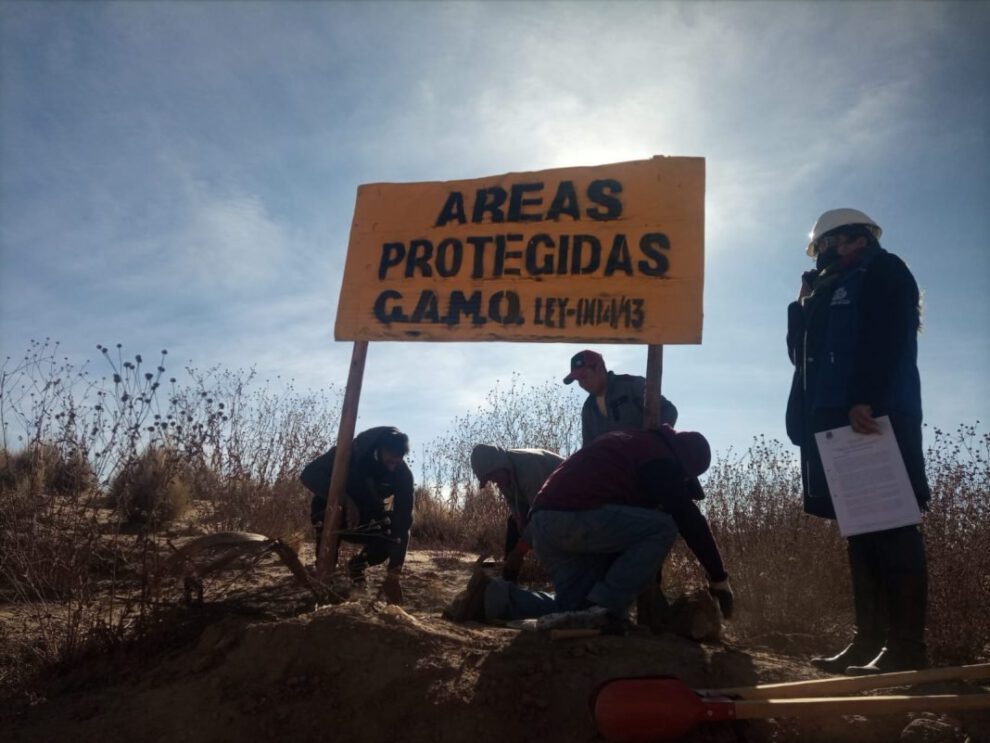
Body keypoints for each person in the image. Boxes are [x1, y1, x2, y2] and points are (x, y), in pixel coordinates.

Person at [786, 208, 930, 675]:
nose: (823, 256)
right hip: (836, 420)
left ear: (853, 240)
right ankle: (868, 643)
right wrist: (800, 305)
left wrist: (865, 397)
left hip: (876, 414)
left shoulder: (885, 270)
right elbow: (800, 356)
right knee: (861, 531)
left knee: (892, 527)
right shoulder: (827, 291)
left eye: (827, 246)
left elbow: (886, 338)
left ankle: (906, 648)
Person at [563, 350, 733, 618]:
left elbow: (668, 409)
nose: (582, 384)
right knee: (629, 532)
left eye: (584, 376)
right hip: (617, 481)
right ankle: (626, 602)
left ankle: (701, 586)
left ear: (600, 368)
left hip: (650, 465)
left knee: (671, 518)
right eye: (577, 380)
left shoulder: (632, 386)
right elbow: (589, 450)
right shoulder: (588, 409)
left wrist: (645, 442)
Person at [525, 426, 713, 629]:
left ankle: (493, 596)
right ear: (683, 464)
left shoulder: (633, 444)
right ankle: (605, 608)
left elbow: (624, 535)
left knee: (573, 608)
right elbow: (687, 516)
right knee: (664, 528)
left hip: (544, 523)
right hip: (572, 517)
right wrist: (719, 578)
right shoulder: (658, 458)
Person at [300, 426, 414, 605]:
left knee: (394, 531)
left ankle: (358, 566)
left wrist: (394, 574)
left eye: (397, 462)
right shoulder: (348, 452)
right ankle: (326, 574)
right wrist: (344, 499)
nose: (393, 466)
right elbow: (308, 475)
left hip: (368, 521)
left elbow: (404, 520)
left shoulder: (402, 474)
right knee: (332, 512)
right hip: (333, 514)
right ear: (379, 451)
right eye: (390, 460)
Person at [469, 444, 565, 581]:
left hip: (573, 503)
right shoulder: (504, 477)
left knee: (544, 527)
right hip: (548, 508)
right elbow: (517, 510)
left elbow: (542, 515)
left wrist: (520, 550)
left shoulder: (529, 468)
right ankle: (508, 579)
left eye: (492, 475)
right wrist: (521, 530)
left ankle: (563, 577)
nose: (494, 481)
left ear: (499, 464)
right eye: (489, 479)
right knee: (514, 524)